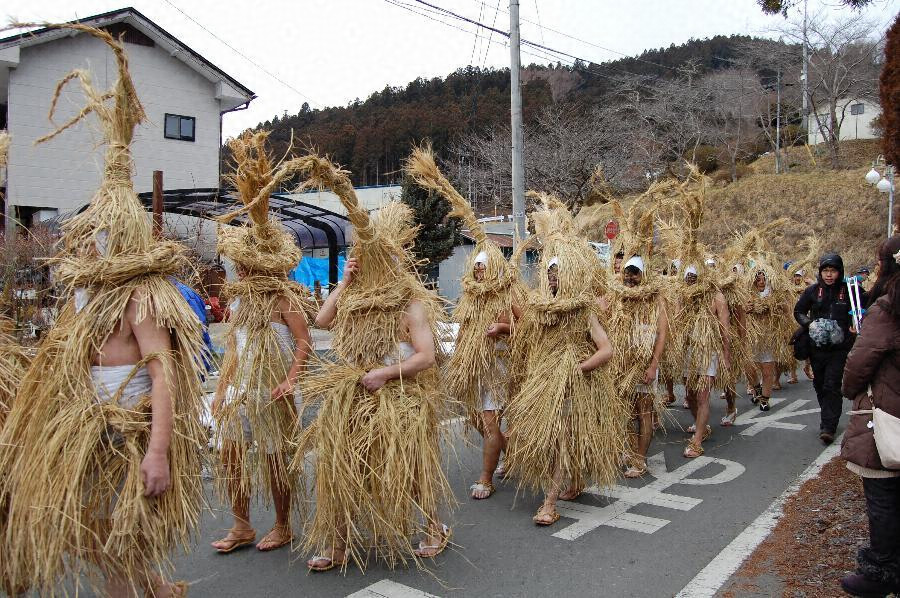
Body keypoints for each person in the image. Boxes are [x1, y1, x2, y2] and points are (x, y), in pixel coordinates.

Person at [0, 25, 206, 597]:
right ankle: (158, 588)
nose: (93, 245)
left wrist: (158, 451)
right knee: (102, 541)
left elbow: (162, 374)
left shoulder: (141, 298)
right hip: (88, 436)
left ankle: (150, 587)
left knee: (117, 548)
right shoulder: (82, 295)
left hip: (128, 436)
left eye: (102, 236)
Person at [294, 155, 451, 572]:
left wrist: (384, 373)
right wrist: (344, 282)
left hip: (400, 396)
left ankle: (435, 527)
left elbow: (426, 356)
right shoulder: (356, 299)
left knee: (412, 468)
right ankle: (339, 542)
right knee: (340, 466)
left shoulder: (409, 302)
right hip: (354, 395)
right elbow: (322, 320)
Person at [210, 131, 313, 555]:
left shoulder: (284, 298)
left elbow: (304, 342)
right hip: (242, 390)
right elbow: (235, 349)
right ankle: (241, 525)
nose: (242, 273)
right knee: (230, 453)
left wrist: (291, 379)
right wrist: (220, 389)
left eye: (246, 267)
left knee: (275, 456)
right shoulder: (241, 304)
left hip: (275, 390)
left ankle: (284, 523)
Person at [404, 147, 519, 500]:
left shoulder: (509, 296)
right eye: (478, 267)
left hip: (498, 367)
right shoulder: (469, 297)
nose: (481, 271)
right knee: (477, 420)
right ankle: (508, 452)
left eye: (486, 267)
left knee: (487, 422)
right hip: (472, 369)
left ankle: (486, 477)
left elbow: (525, 330)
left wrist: (502, 330)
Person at [839, 235, 900, 597]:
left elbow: (859, 364)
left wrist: (851, 390)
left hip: (889, 418)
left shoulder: (887, 311)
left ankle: (882, 571)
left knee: (884, 496)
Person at [794, 252, 856, 444]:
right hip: (817, 347)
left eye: (833, 271)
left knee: (832, 384)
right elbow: (799, 311)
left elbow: (864, 309)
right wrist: (809, 324)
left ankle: (828, 426)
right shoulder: (812, 291)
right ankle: (827, 416)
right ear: (821, 272)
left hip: (840, 348)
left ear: (840, 272)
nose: (829, 275)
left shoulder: (850, 291)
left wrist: (856, 324)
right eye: (826, 271)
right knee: (820, 384)